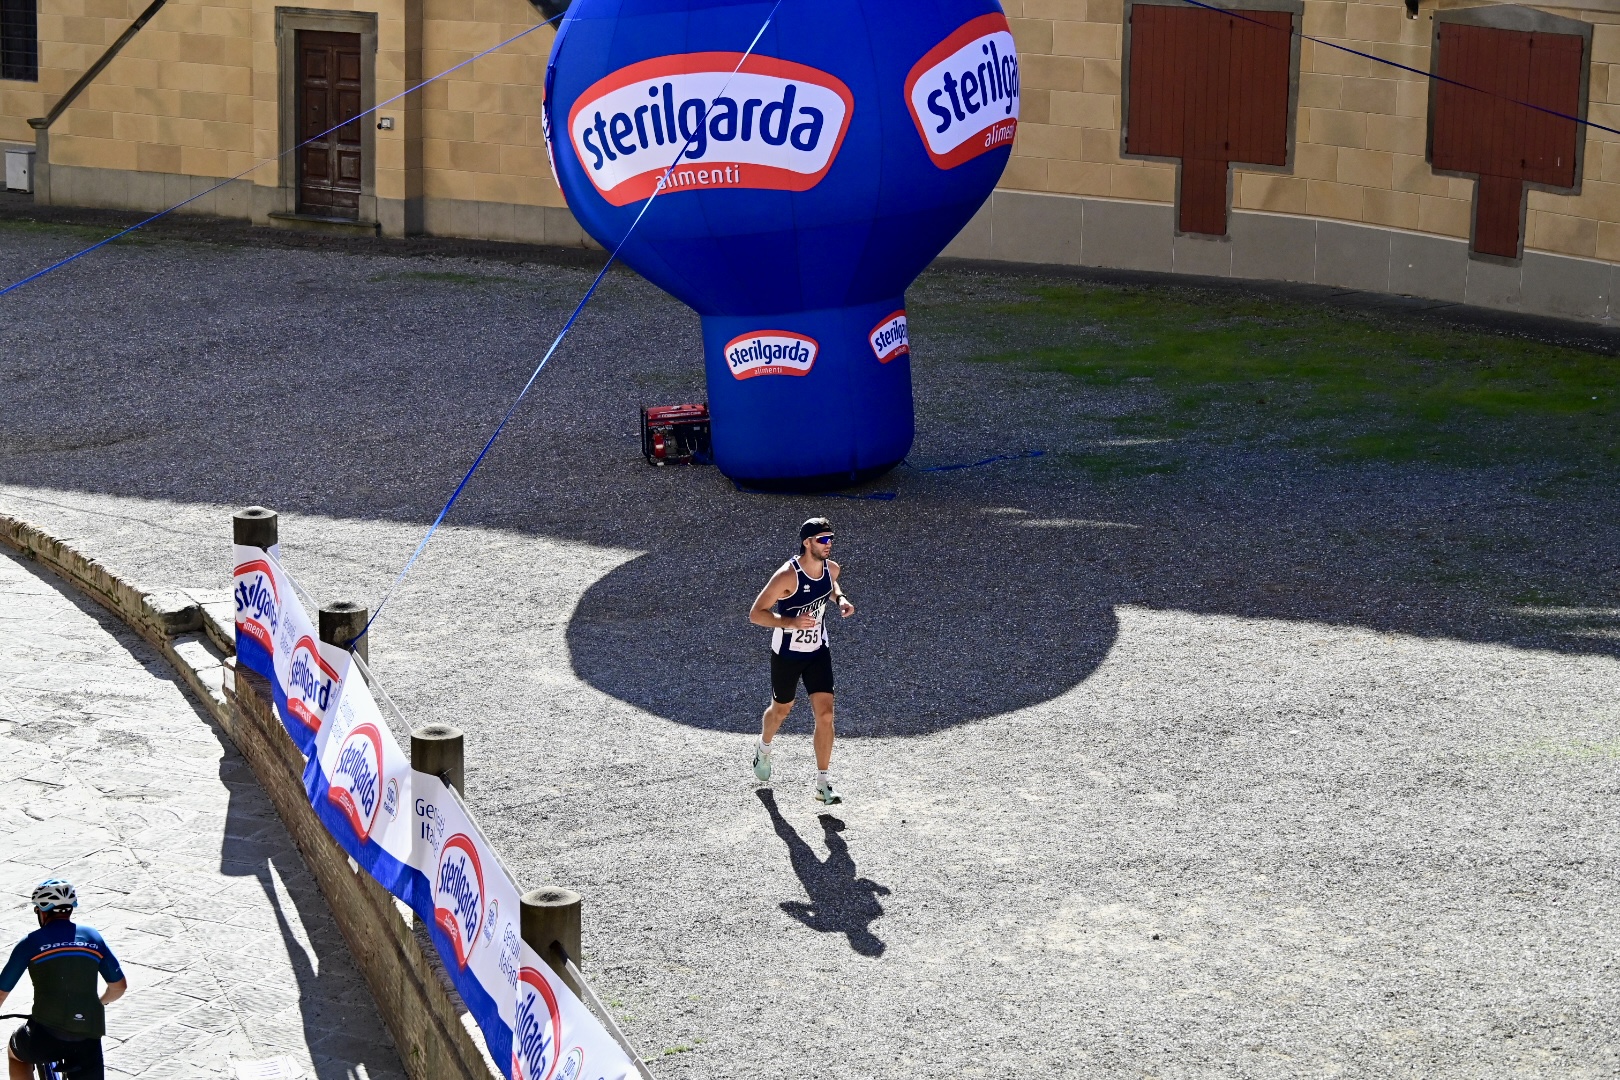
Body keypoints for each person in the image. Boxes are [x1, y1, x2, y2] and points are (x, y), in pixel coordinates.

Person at [749, 517, 855, 804]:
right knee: (781, 710)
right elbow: (756, 614)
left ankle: (822, 783)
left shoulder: (831, 569)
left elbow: (830, 585)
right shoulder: (787, 576)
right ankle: (764, 747)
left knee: (826, 714)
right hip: (787, 654)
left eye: (831, 538)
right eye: (823, 539)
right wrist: (791, 622)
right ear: (807, 542)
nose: (829, 544)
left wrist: (841, 599)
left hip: (818, 650)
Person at [0, 880, 126, 1080]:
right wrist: (99, 1002)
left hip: (44, 1036)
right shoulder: (92, 937)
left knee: (16, 1055)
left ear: (42, 912)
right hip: (87, 1036)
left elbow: (1, 993)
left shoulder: (30, 942)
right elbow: (119, 987)